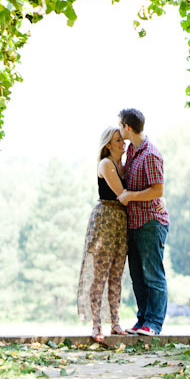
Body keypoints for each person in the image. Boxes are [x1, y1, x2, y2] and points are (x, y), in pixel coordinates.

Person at [117, 107, 169, 337]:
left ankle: (155, 324)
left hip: (150, 222)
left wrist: (131, 196)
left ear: (128, 127)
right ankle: (142, 320)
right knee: (137, 276)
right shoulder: (131, 151)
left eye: (120, 125)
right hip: (134, 223)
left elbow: (157, 189)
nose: (120, 130)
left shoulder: (151, 154)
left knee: (152, 274)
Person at [77, 125, 128, 342]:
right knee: (99, 274)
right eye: (118, 140)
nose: (122, 143)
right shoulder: (106, 164)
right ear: (108, 144)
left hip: (121, 220)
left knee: (117, 273)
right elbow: (122, 194)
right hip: (105, 218)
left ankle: (115, 323)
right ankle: (96, 324)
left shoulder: (123, 165)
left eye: (122, 140)